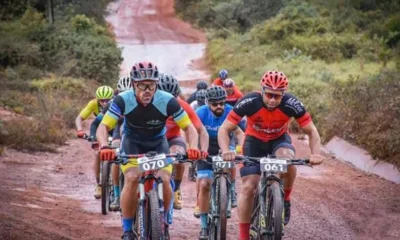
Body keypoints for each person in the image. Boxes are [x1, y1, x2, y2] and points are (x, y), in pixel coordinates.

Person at [96, 62, 205, 240]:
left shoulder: (167, 100)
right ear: (133, 84)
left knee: (164, 178)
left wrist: (192, 147)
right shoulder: (123, 100)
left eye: (152, 85)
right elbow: (103, 127)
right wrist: (104, 146)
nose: (147, 90)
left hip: (158, 143)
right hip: (132, 143)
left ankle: (163, 221)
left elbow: (189, 128)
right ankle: (127, 230)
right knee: (131, 178)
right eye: (142, 85)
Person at [217, 71, 325, 240]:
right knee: (248, 187)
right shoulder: (249, 101)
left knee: (288, 161)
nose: (273, 99)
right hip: (254, 142)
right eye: (269, 95)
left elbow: (312, 131)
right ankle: (243, 236)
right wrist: (225, 151)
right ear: (262, 91)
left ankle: (286, 199)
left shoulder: (292, 103)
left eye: (277, 96)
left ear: (284, 94)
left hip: (279, 140)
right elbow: (224, 129)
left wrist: (316, 154)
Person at [195, 86, 245, 239]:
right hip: (207, 147)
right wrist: (194, 150)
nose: (219, 107)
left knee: (231, 160)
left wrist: (240, 149)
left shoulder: (231, 111)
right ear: (208, 103)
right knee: (204, 184)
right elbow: (192, 131)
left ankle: (230, 189)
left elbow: (240, 132)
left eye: (222, 103)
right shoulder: (200, 113)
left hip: (225, 146)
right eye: (215, 104)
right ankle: (204, 226)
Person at [157, 73, 209, 210]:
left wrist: (201, 150)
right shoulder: (148, 104)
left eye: (172, 97)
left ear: (177, 95)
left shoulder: (182, 105)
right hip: (153, 141)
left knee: (179, 158)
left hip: (173, 138)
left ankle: (177, 189)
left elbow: (200, 130)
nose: (168, 100)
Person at [75, 85, 114, 199]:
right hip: (101, 130)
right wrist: (80, 130)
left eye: (107, 100)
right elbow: (80, 118)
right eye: (101, 100)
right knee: (98, 153)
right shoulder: (93, 104)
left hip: (114, 129)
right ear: (97, 99)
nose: (104, 103)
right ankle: (99, 184)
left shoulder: (116, 104)